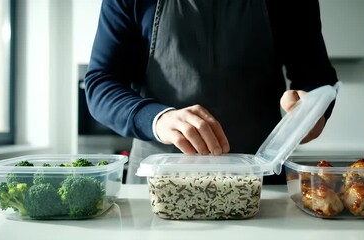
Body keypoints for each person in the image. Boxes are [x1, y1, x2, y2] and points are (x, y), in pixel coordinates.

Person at [85, 0, 339, 184]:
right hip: (158, 184)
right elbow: (101, 83)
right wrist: (157, 118)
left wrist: (312, 112)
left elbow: (316, 78)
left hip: (259, 183)